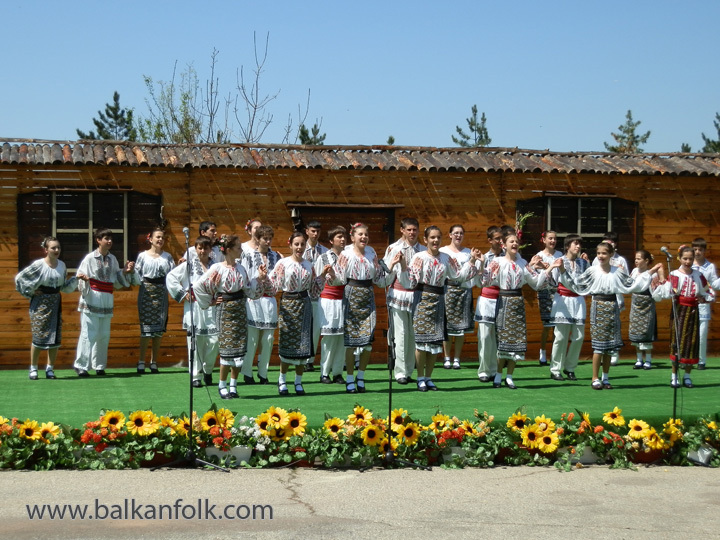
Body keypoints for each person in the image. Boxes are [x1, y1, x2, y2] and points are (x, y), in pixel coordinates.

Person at [553, 241, 662, 390]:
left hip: (612, 307)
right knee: (598, 346)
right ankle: (595, 378)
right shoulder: (593, 270)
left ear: (611, 254)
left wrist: (649, 274)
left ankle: (605, 377)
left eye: (604, 253)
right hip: (598, 307)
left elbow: (632, 284)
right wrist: (563, 272)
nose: (601, 256)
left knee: (610, 346)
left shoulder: (618, 271)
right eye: (598, 253)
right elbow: (577, 284)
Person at [398, 226, 480, 391]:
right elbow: (410, 281)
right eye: (432, 238)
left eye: (438, 237)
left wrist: (471, 261)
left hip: (440, 299)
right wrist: (403, 266)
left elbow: (458, 276)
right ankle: (420, 377)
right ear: (426, 240)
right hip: (422, 299)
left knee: (435, 342)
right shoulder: (419, 257)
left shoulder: (446, 258)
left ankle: (429, 377)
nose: (435, 241)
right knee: (421, 342)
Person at [328, 223, 399, 393]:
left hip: (368, 296)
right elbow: (338, 278)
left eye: (366, 234)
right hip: (351, 296)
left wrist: (393, 267)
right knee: (351, 343)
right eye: (360, 234)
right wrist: (330, 274)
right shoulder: (345, 254)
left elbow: (379, 279)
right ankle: (350, 379)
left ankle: (361, 376)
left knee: (367, 342)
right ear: (352, 237)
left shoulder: (371, 253)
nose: (363, 237)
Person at [194, 235, 265, 399]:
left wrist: (259, 279)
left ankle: (233, 385)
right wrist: (210, 301)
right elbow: (199, 286)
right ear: (230, 250)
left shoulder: (241, 268)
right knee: (226, 349)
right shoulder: (217, 268)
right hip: (225, 310)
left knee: (239, 350)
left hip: (240, 310)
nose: (241, 250)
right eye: (239, 247)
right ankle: (222, 385)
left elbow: (248, 289)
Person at [481, 231, 546, 389]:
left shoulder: (523, 263)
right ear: (504, 245)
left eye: (516, 242)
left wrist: (545, 270)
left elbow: (536, 283)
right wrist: (480, 264)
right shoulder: (497, 261)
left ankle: (509, 376)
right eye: (511, 242)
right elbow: (485, 280)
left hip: (517, 303)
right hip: (503, 302)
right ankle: (497, 374)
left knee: (516, 341)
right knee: (502, 341)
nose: (515, 244)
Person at [267, 231, 325, 396]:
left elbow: (314, 291)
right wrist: (263, 278)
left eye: (302, 244)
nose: (299, 247)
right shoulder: (283, 264)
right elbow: (273, 286)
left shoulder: (309, 265)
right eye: (296, 244)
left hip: (305, 304)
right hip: (288, 304)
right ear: (290, 245)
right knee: (287, 343)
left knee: (303, 344)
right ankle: (282, 380)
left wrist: (323, 276)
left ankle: (298, 381)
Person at [74, 227, 134, 377]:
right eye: (106, 238)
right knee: (89, 333)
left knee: (104, 334)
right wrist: (84, 280)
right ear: (98, 240)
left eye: (111, 239)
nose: (109, 241)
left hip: (107, 298)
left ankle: (99, 365)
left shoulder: (112, 259)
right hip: (92, 296)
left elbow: (116, 279)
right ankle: (81, 365)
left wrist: (125, 271)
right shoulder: (89, 258)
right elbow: (80, 276)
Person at [15, 236, 77, 380]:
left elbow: (64, 287)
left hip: (56, 302)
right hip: (40, 303)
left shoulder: (62, 265)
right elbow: (20, 278)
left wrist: (77, 279)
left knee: (55, 336)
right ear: (46, 250)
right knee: (38, 336)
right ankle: (33, 368)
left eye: (58, 248)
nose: (56, 250)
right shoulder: (39, 265)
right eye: (53, 248)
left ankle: (50, 368)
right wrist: (30, 291)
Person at [166, 236, 219, 387]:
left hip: (212, 306)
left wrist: (219, 298)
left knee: (214, 341)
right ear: (195, 249)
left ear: (210, 250)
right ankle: (196, 375)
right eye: (200, 248)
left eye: (206, 248)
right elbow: (171, 277)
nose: (202, 251)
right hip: (194, 306)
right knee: (195, 341)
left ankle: (208, 370)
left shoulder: (215, 266)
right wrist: (183, 294)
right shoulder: (188, 265)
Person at [655, 245, 710, 388]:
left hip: (693, 312)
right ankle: (674, 376)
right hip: (679, 310)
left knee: (691, 343)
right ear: (680, 258)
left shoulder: (698, 275)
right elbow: (668, 292)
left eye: (690, 259)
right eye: (685, 258)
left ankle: (687, 376)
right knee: (677, 342)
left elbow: (707, 292)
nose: (687, 261)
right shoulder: (675, 274)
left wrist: (703, 298)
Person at [384, 217, 426, 384]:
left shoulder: (423, 250)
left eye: (414, 229)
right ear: (402, 230)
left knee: (413, 335)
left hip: (417, 295)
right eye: (408, 229)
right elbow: (387, 272)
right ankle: (400, 372)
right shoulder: (394, 248)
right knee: (400, 334)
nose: (412, 232)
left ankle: (409, 370)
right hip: (399, 295)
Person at [241, 225, 282, 385]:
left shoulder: (275, 257)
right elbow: (244, 276)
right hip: (253, 299)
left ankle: (263, 373)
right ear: (257, 239)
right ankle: (247, 372)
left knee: (269, 338)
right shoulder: (249, 255)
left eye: (270, 238)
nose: (268, 241)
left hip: (270, 299)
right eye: (265, 238)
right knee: (252, 338)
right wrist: (258, 279)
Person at [131, 227, 175, 374]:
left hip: (161, 292)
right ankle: (141, 361)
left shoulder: (168, 257)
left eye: (162, 237)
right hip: (146, 292)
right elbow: (137, 275)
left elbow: (173, 275)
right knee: (146, 330)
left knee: (158, 331)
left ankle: (154, 362)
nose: (160, 240)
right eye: (157, 237)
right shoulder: (143, 256)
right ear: (150, 239)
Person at [546, 234, 589, 382]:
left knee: (578, 336)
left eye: (579, 244)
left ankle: (570, 368)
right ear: (567, 246)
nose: (578, 247)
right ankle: (555, 369)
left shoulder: (584, 263)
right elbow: (551, 282)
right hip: (563, 300)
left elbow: (587, 282)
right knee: (560, 336)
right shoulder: (559, 261)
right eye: (575, 244)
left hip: (578, 300)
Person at [439, 224, 475, 370]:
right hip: (448, 289)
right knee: (447, 326)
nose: (458, 236)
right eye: (455, 233)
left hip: (464, 290)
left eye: (461, 233)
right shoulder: (443, 251)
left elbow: (473, 270)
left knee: (461, 327)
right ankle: (447, 357)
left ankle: (457, 359)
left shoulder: (468, 253)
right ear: (450, 235)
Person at [315, 226, 347, 385]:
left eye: (344, 237)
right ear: (331, 240)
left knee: (341, 338)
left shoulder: (348, 256)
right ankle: (324, 372)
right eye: (339, 237)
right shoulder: (324, 257)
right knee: (329, 337)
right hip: (328, 299)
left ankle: (338, 372)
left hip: (344, 299)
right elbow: (318, 278)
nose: (342, 240)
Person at [592, 231, 629, 366]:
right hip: (600, 298)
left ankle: (614, 352)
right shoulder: (597, 260)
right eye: (606, 240)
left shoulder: (621, 260)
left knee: (614, 326)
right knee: (601, 329)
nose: (609, 243)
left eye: (611, 241)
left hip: (615, 297)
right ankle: (600, 354)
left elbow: (626, 279)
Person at [475, 226, 504, 383]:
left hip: (503, 298)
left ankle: (495, 370)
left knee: (499, 337)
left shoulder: (509, 256)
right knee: (485, 336)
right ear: (490, 240)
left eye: (502, 238)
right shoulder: (484, 257)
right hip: (487, 298)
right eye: (497, 238)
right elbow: (478, 280)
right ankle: (484, 370)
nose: (500, 241)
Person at [302, 220, 328, 372]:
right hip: (304, 292)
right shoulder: (300, 248)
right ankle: (301, 357)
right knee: (303, 327)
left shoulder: (324, 251)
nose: (315, 234)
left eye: (317, 231)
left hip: (319, 293)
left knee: (316, 328)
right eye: (312, 231)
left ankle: (310, 360)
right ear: (307, 231)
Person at [629, 250, 661, 370]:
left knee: (646, 332)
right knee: (636, 332)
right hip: (635, 304)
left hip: (647, 305)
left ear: (646, 261)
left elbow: (656, 292)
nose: (636, 261)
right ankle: (638, 359)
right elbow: (630, 285)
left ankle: (648, 359)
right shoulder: (634, 271)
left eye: (639, 259)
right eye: (635, 259)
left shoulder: (653, 275)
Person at [535, 230, 562, 366]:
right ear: (544, 240)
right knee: (547, 325)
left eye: (554, 239)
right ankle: (543, 353)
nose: (553, 241)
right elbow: (534, 274)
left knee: (558, 325)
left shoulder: (560, 255)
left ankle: (555, 355)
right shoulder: (539, 256)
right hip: (545, 292)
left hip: (558, 292)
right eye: (550, 238)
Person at [692, 238, 717, 370]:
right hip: (689, 304)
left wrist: (709, 296)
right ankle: (688, 359)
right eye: (695, 249)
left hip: (703, 305)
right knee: (689, 333)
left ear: (704, 251)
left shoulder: (709, 266)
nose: (697, 252)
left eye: (700, 250)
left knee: (702, 335)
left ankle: (701, 361)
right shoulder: (687, 265)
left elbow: (714, 284)